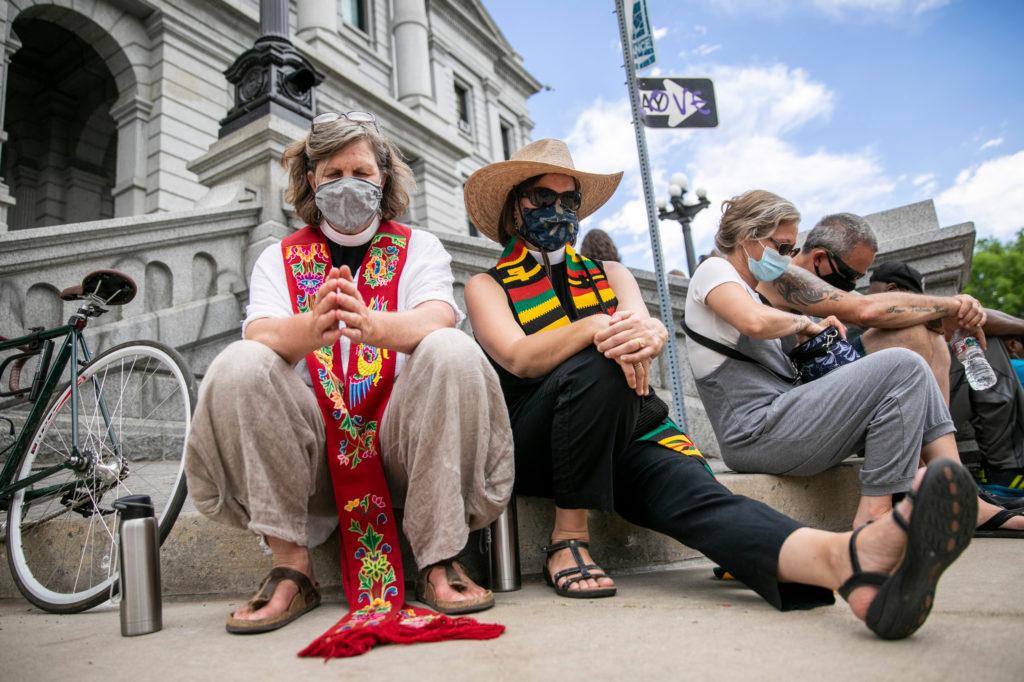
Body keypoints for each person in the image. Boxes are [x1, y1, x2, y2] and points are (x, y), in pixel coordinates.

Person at [461, 139, 979, 640]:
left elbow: (642, 329)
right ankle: (567, 538)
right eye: (543, 199)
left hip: (628, 432)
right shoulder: (487, 285)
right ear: (514, 210)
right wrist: (600, 327)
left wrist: (651, 331)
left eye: (568, 199)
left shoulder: (610, 272)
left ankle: (849, 564)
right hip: (539, 440)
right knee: (601, 358)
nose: (559, 210)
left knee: (702, 497)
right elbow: (518, 358)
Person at [184, 111, 514, 643]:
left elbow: (439, 315)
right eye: (332, 174)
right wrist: (313, 328)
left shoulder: (419, 248)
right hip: (309, 456)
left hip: (402, 447)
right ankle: (292, 567)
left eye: (360, 172)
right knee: (240, 362)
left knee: (451, 349)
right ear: (311, 179)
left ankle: (440, 559)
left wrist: (371, 325)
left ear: (383, 176)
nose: (347, 185)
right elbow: (261, 331)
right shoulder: (279, 258)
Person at [682, 190, 1023, 535]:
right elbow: (752, 321)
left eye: (791, 249)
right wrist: (805, 323)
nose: (788, 258)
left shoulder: (754, 290)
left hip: (785, 423)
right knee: (903, 365)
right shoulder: (714, 270)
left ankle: (956, 493)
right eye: (783, 248)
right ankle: (875, 516)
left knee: (910, 372)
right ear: (746, 236)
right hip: (755, 433)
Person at [757, 213, 986, 403]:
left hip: (822, 382)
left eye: (860, 277)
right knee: (910, 335)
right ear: (819, 258)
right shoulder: (782, 274)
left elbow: (887, 310)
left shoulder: (832, 286)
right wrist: (953, 304)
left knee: (932, 336)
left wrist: (956, 314)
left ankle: (940, 454)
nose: (853, 283)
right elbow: (866, 310)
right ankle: (919, 452)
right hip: (787, 397)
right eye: (850, 275)